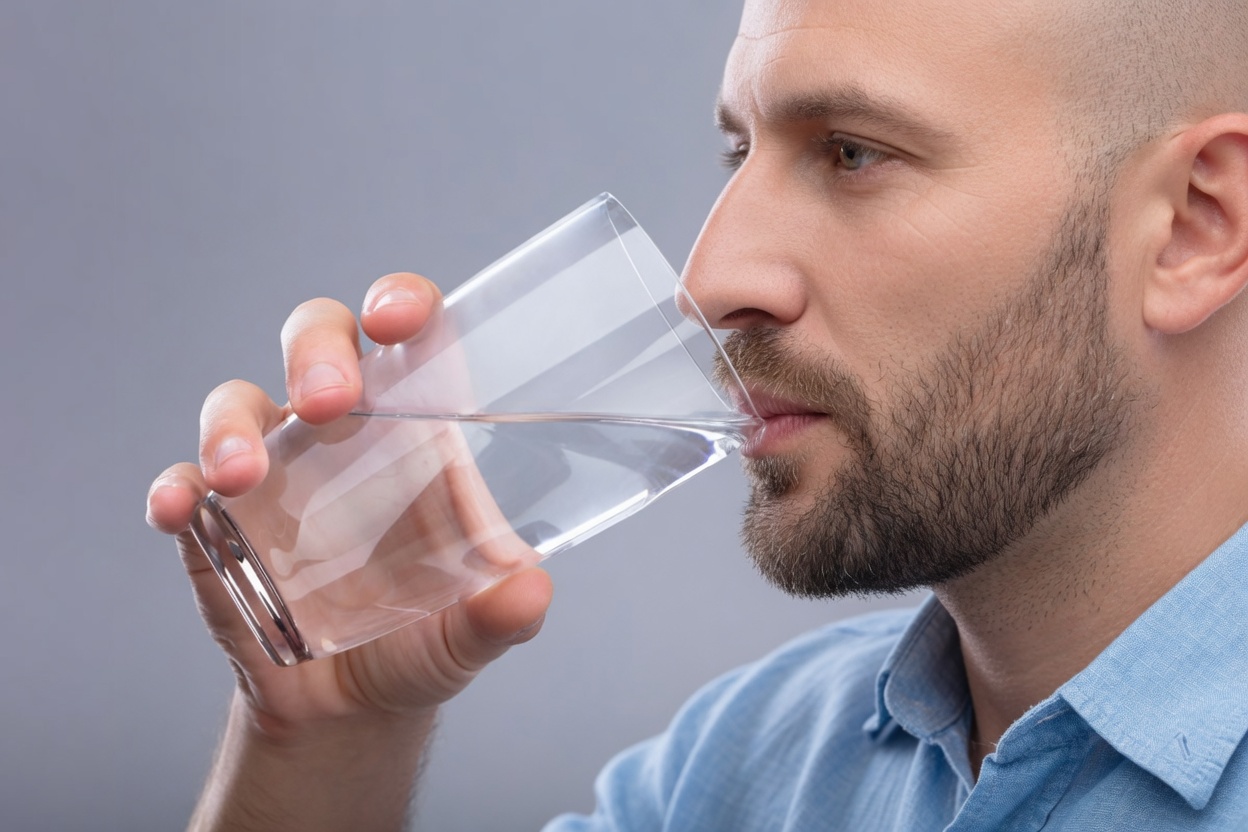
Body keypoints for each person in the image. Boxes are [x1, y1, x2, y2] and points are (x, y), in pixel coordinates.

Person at [147, 0, 1248, 828]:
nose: (710, 276)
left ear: (1196, 227)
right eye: (741, 150)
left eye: (853, 153)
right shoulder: (741, 771)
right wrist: (323, 740)